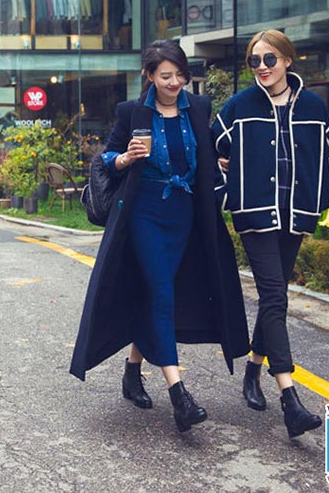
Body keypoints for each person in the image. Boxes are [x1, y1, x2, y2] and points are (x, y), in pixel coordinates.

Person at [70, 40, 250, 433]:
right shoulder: (133, 112)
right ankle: (179, 394)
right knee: (162, 293)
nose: (174, 82)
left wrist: (220, 165)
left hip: (185, 214)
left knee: (158, 294)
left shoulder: (198, 107)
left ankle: (132, 372)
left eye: (179, 75)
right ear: (150, 76)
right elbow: (106, 159)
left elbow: (206, 153)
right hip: (145, 213)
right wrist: (125, 158)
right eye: (165, 76)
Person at [212, 29, 329, 438]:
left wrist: (323, 197)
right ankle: (290, 398)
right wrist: (227, 191)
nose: (262, 67)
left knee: (276, 295)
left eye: (270, 59)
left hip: (296, 216)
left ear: (287, 60)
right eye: (255, 61)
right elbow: (210, 152)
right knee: (273, 295)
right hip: (255, 216)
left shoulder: (314, 108)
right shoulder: (239, 107)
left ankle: (253, 369)